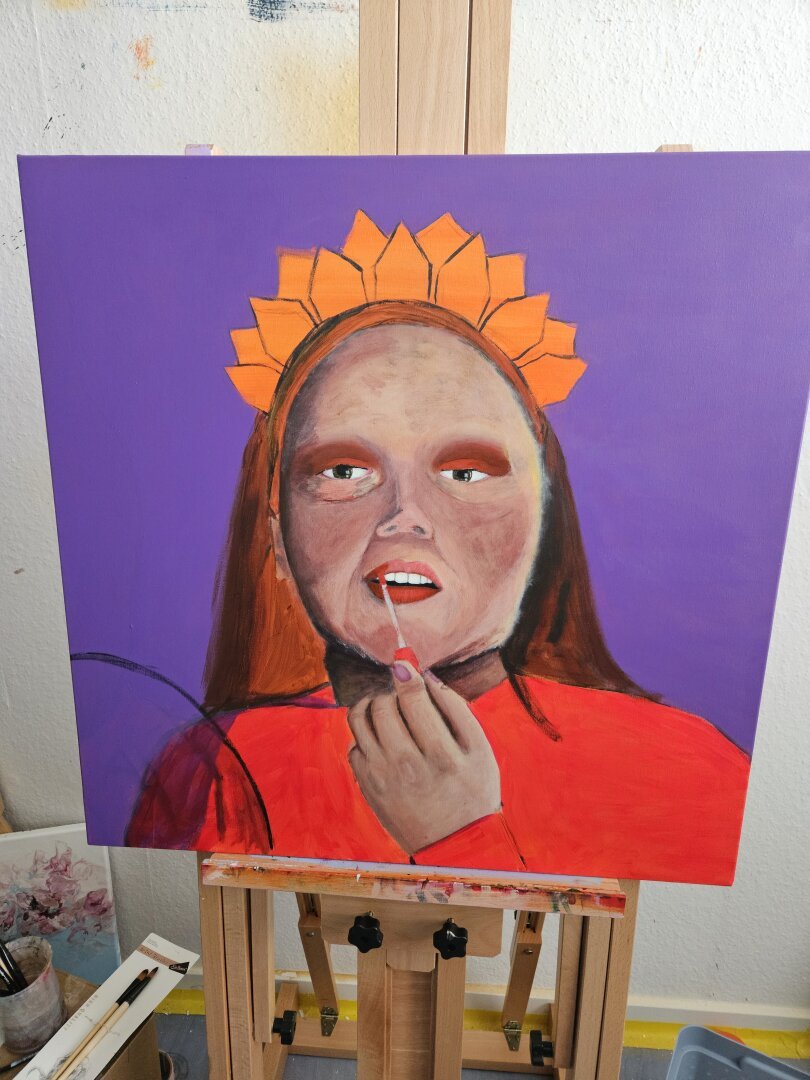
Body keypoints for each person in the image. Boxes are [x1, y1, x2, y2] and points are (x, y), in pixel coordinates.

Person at [127, 212, 749, 885]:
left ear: (545, 518)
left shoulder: (688, 772)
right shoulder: (211, 772)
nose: (405, 517)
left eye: (465, 473)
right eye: (344, 471)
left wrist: (460, 832)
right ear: (278, 536)